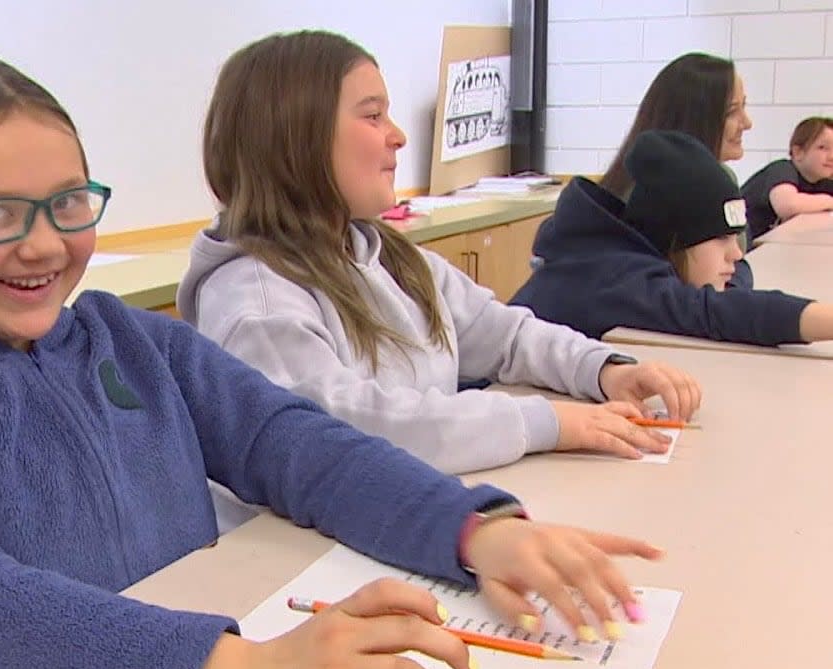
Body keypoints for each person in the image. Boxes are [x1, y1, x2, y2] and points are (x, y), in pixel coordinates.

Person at [0, 56, 664, 669]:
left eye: (66, 204)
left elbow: (297, 445)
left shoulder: (133, 341)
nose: (44, 243)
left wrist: (473, 529)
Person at [176, 30, 700, 486]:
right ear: (296, 141)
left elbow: (507, 336)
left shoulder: (391, 257)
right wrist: (546, 423)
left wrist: (603, 370)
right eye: (373, 115)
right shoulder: (256, 298)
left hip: (416, 501)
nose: (398, 135)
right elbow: (349, 427)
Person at [510, 130, 833, 345]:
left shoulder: (627, 259)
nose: (735, 254)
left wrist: (725, 288)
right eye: (721, 240)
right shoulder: (618, 283)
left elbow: (735, 281)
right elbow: (720, 313)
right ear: (675, 241)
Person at [599, 52, 755, 286]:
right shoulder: (649, 195)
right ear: (695, 117)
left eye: (744, 107)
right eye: (732, 111)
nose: (748, 123)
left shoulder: (722, 180)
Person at [742, 116, 833, 241]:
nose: (831, 156)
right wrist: (829, 201)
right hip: (741, 250)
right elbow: (787, 205)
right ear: (798, 152)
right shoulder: (782, 169)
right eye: (822, 148)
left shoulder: (822, 181)